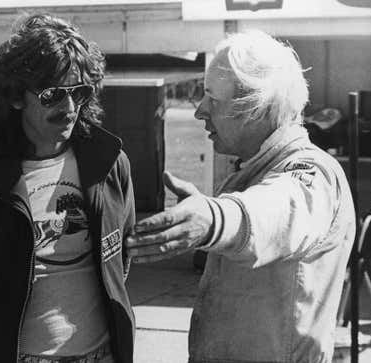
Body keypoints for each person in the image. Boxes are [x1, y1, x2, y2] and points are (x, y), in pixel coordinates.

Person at [126, 30, 355, 362]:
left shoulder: (313, 172)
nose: (200, 111)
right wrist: (211, 212)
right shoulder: (252, 173)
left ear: (258, 108)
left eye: (213, 99)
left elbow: (277, 212)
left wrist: (214, 219)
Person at [0, 13, 136, 363]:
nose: (69, 107)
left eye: (79, 92)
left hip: (104, 354)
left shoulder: (110, 164)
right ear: (14, 97)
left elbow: (121, 259)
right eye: (52, 94)